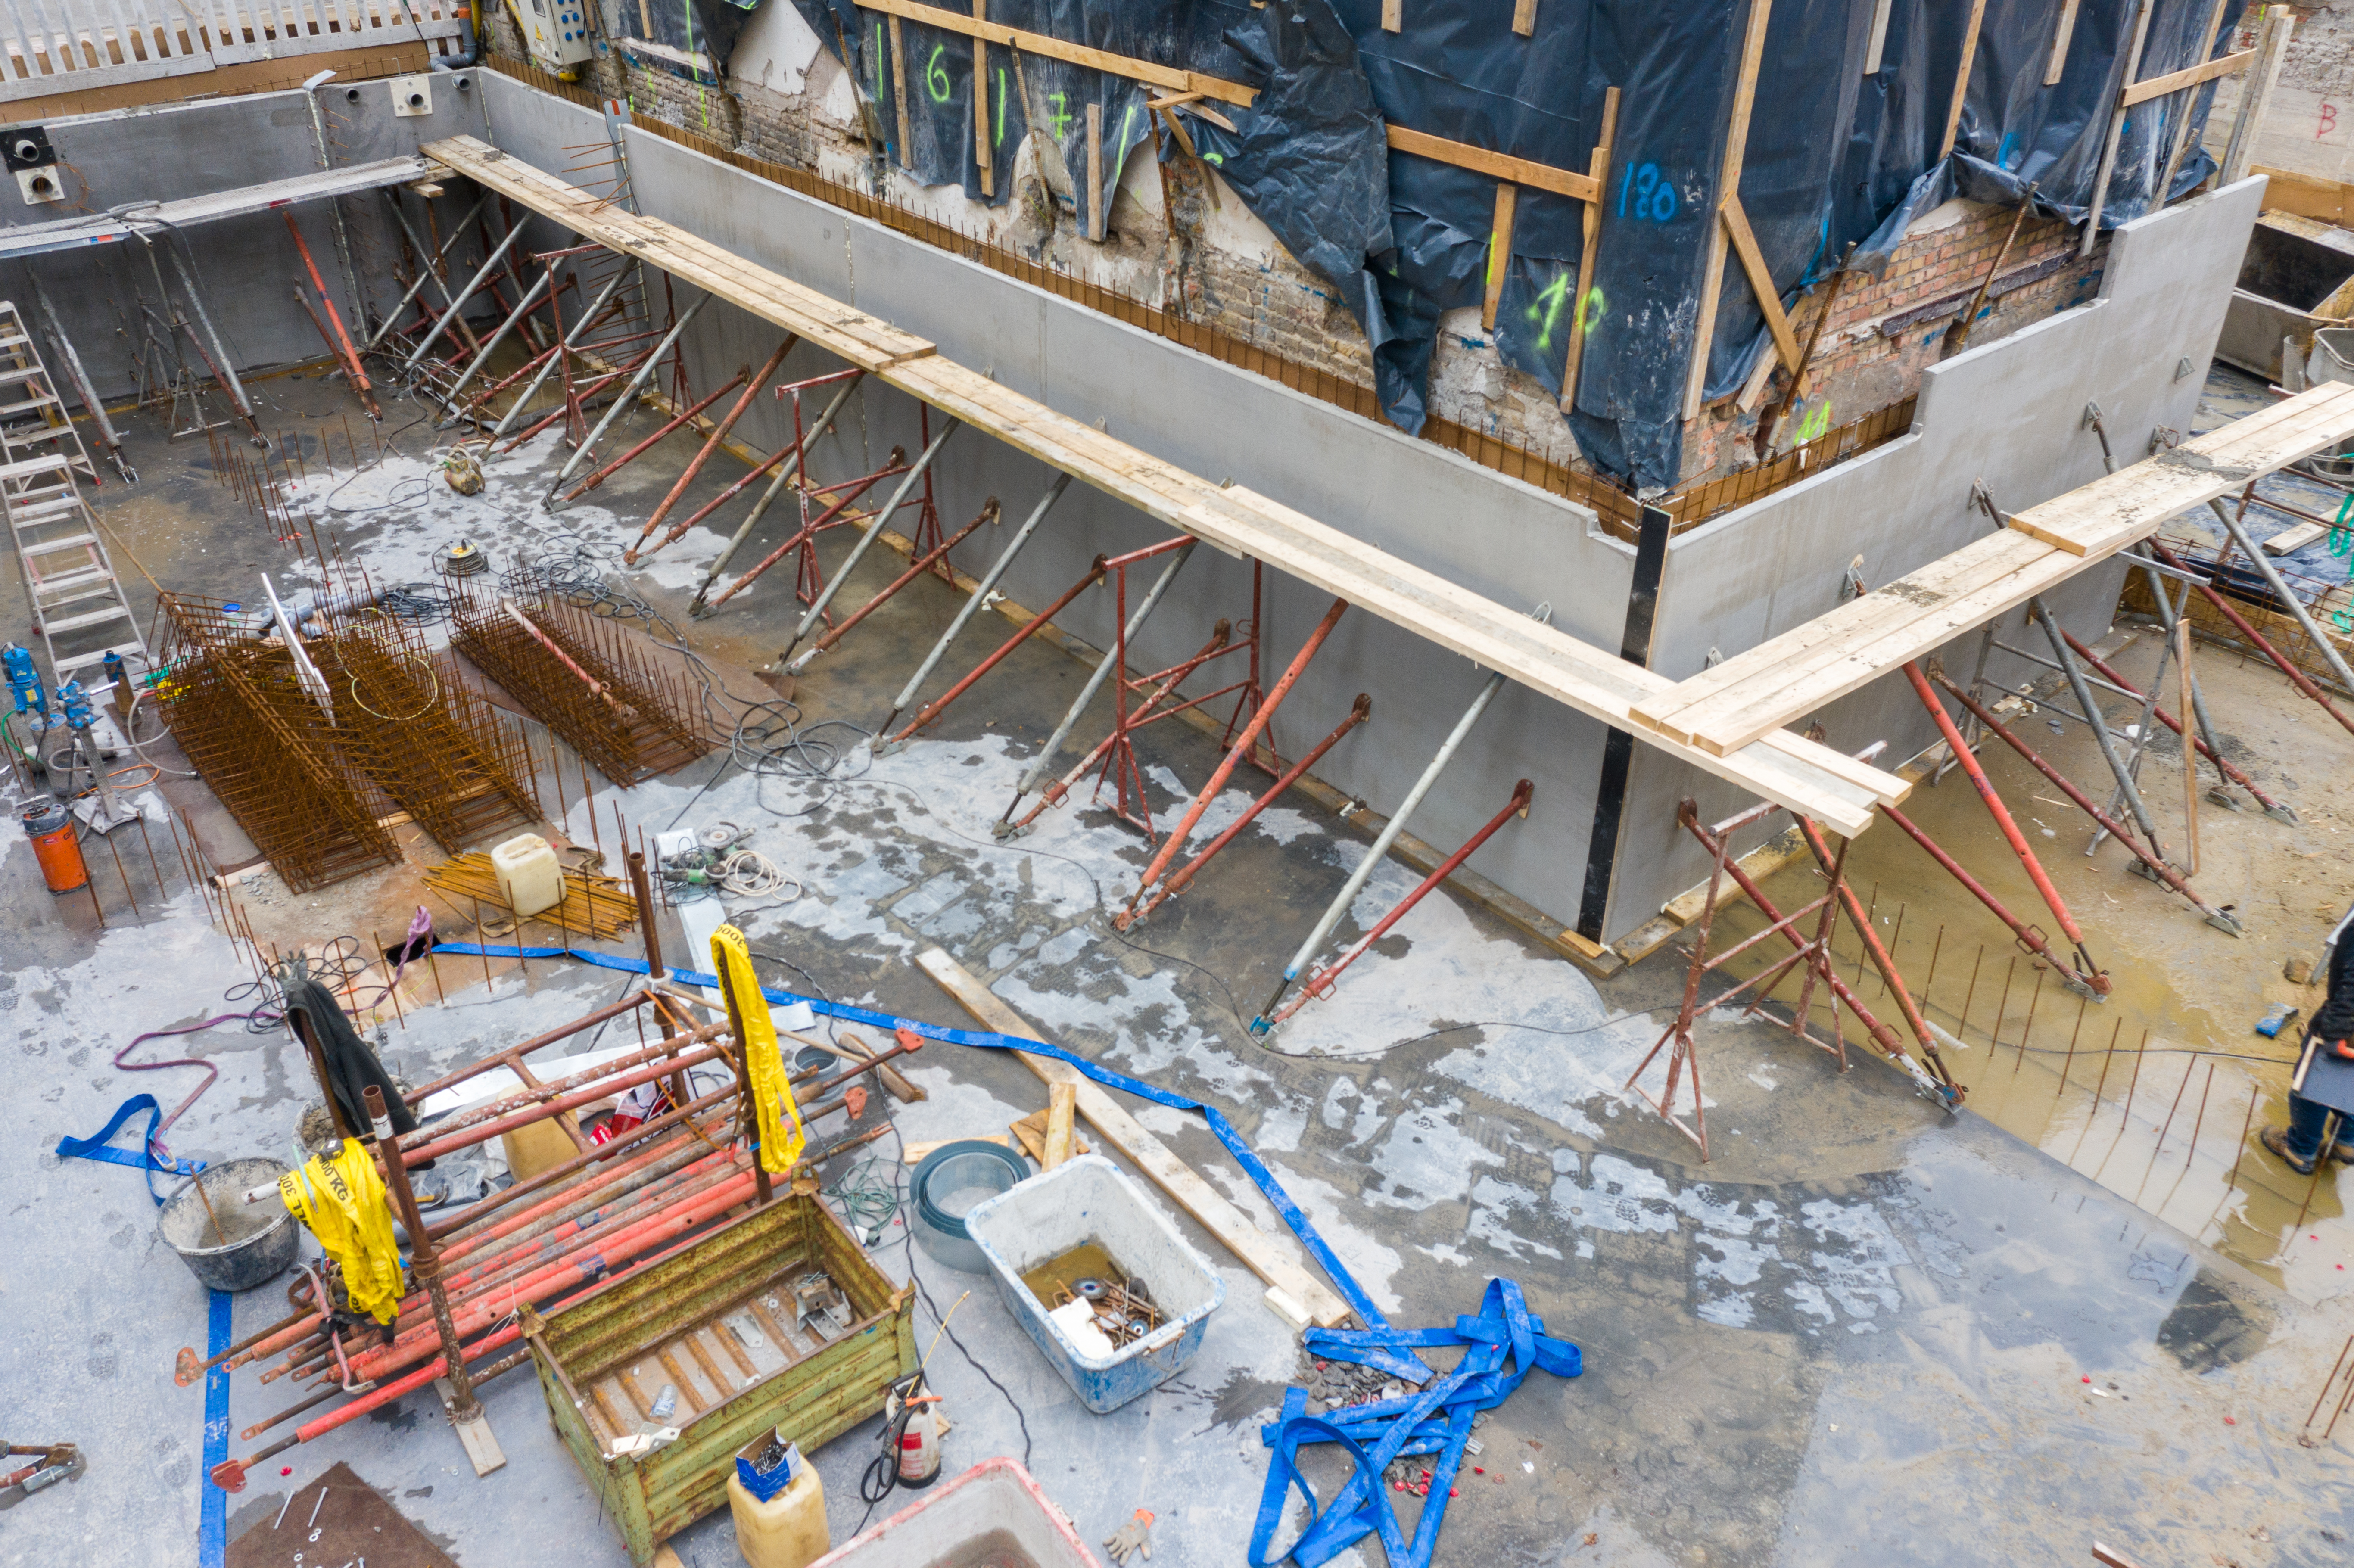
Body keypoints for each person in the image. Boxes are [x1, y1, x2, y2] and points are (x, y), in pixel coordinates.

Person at [2263, 909, 2354, 1176]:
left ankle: (2300, 1150)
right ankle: (2347, 1142)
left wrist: (2334, 1032)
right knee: (2349, 1080)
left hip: (2346, 1023)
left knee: (2314, 1086)